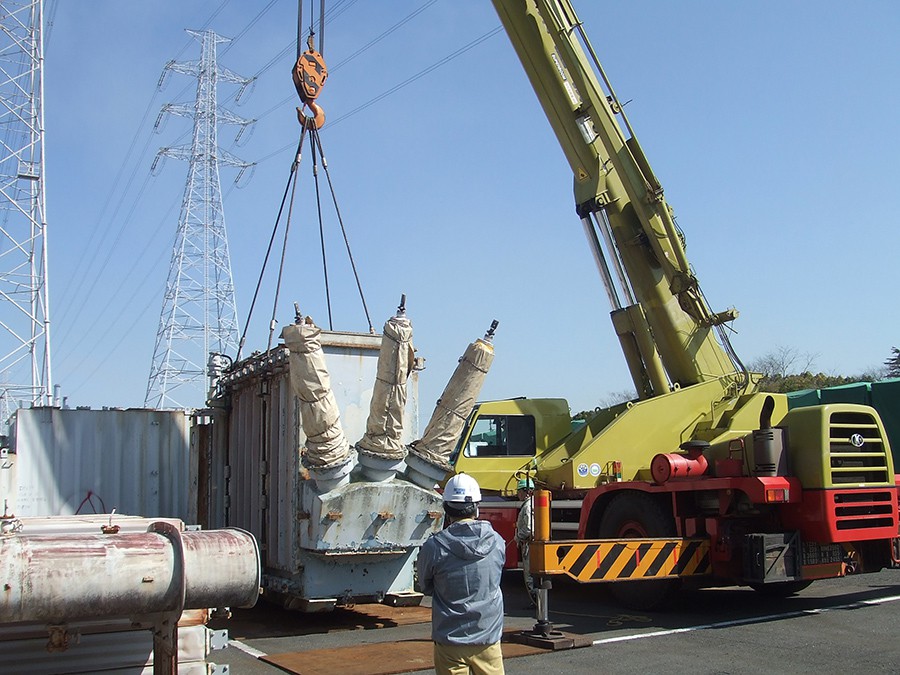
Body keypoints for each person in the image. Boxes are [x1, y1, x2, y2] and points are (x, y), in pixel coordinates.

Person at [418, 473, 506, 675]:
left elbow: (425, 585)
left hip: (450, 639)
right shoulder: (497, 542)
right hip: (488, 636)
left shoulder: (434, 546)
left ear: (446, 509)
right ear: (477, 506)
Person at [514, 477, 536, 606]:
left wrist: (518, 537)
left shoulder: (527, 507)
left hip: (528, 544)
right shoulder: (532, 504)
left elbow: (528, 527)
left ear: (526, 491)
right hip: (531, 543)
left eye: (519, 491)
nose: (518, 494)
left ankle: (535, 601)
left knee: (529, 576)